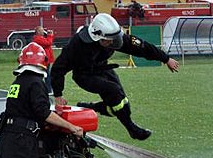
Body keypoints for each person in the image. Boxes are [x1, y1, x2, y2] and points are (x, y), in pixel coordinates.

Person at [51, 13, 179, 141]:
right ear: (97, 37)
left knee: (122, 103)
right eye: (110, 40)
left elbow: (142, 47)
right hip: (84, 75)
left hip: (103, 70)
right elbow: (58, 68)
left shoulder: (113, 38)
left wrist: (166, 58)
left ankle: (93, 107)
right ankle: (132, 129)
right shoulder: (77, 45)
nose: (114, 42)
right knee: (113, 90)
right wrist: (58, 94)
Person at [32, 25, 55, 93]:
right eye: (42, 30)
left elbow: (48, 42)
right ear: (38, 31)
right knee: (46, 75)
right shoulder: (37, 39)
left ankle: (47, 89)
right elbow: (48, 43)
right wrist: (50, 35)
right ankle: (48, 90)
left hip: (46, 60)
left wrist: (49, 36)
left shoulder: (41, 38)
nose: (43, 31)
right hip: (43, 60)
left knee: (46, 75)